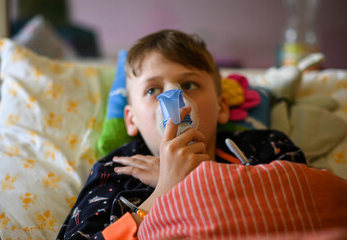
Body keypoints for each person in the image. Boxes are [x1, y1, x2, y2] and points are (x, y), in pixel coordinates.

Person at [57, 29, 306, 240]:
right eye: (153, 90)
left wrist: (199, 179)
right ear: (131, 120)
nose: (174, 99)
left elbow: (308, 208)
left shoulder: (266, 147)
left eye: (188, 85)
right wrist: (165, 188)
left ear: (221, 106)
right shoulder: (117, 171)